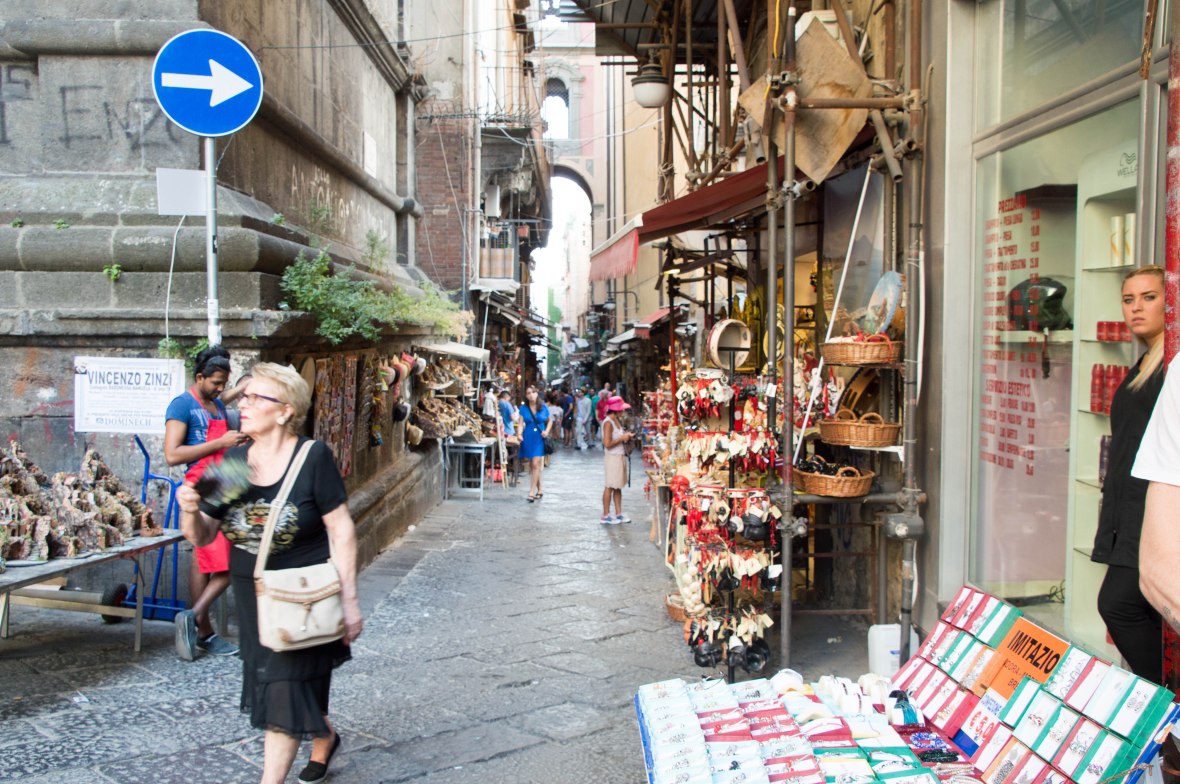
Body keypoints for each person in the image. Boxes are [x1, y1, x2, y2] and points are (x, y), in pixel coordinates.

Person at [176, 363, 363, 784]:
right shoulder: (235, 462)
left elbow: (340, 527)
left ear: (284, 411)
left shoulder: (312, 457)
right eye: (243, 396)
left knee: (283, 687)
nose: (242, 403)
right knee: (281, 684)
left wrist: (349, 598)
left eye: (255, 397)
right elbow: (204, 534)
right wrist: (190, 511)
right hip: (254, 593)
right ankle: (325, 736)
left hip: (304, 591)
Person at [1090, 266, 1166, 683]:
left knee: (1118, 605)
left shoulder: (1170, 366)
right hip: (1132, 506)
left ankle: (1168, 702)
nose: (1136, 308)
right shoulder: (1148, 362)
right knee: (1144, 610)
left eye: (1148, 297)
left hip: (1154, 509)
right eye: (1128, 299)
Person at [164, 345, 248, 660]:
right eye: (215, 382)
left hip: (223, 480)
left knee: (210, 559)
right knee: (220, 559)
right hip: (202, 485)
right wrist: (220, 442)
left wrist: (239, 391)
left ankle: (201, 627)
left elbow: (218, 404)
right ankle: (200, 623)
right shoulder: (181, 406)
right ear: (199, 377)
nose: (220, 389)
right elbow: (172, 455)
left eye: (224, 383)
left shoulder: (213, 403)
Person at [600, 395, 634, 525]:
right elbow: (607, 443)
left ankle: (618, 513)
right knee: (610, 486)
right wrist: (622, 438)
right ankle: (606, 515)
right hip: (612, 458)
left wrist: (626, 436)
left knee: (618, 486)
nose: (623, 411)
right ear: (616, 410)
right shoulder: (608, 422)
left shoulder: (616, 420)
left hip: (618, 457)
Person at [517, 385, 552, 502]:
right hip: (528, 437)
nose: (530, 395)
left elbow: (550, 420)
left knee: (536, 463)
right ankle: (540, 489)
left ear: (537, 393)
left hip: (539, 438)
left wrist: (547, 431)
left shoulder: (543, 407)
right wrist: (519, 434)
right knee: (532, 465)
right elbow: (520, 423)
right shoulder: (523, 408)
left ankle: (531, 492)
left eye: (533, 392)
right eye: (528, 393)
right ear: (526, 396)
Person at [545, 391, 563, 467]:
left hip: (548, 423)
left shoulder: (547, 408)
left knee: (550, 435)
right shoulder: (556, 408)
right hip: (554, 423)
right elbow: (557, 416)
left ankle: (551, 447)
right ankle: (553, 448)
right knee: (554, 436)